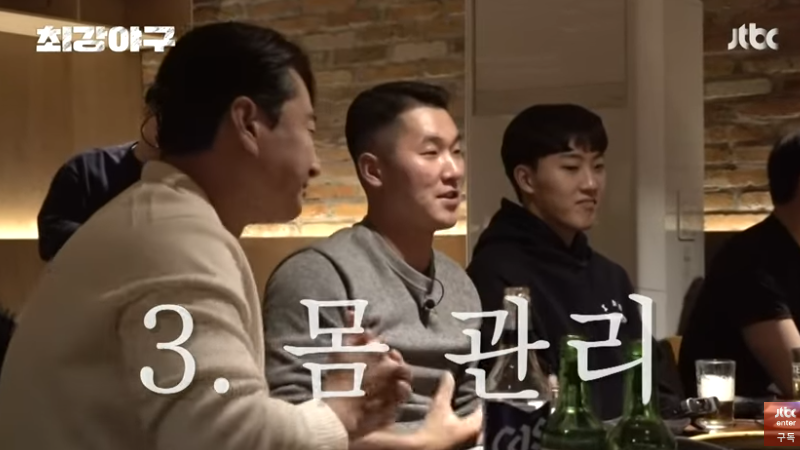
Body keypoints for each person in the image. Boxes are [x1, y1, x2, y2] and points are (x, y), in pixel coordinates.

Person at [0, 22, 411, 450]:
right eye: (308, 130)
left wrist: (339, 399)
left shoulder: (159, 219)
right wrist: (341, 413)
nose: (316, 164)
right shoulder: (175, 241)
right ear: (248, 123)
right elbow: (222, 436)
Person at [263, 81, 483, 450]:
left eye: (456, 151)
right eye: (431, 153)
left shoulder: (460, 283)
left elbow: (470, 409)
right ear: (373, 171)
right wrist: (422, 444)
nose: (454, 171)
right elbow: (290, 428)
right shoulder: (319, 275)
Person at [466, 104, 683, 420]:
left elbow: (656, 386)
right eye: (571, 168)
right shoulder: (497, 275)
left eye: (598, 166)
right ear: (526, 179)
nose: (591, 184)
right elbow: (521, 404)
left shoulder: (610, 276)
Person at [679, 132, 800, 399]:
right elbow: (797, 381)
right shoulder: (751, 259)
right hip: (733, 416)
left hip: (777, 408)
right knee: (788, 423)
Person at [37, 118, 160, 262]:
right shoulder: (85, 168)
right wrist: (118, 241)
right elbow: (51, 236)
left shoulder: (183, 179)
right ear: (149, 112)